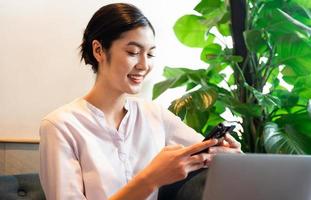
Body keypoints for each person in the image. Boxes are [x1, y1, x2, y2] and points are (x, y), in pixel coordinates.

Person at [39, 3, 242, 200]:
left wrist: (228, 155)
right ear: (99, 50)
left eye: (150, 54)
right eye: (133, 53)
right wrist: (150, 179)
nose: (144, 65)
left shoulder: (154, 114)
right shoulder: (60, 126)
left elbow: (204, 152)